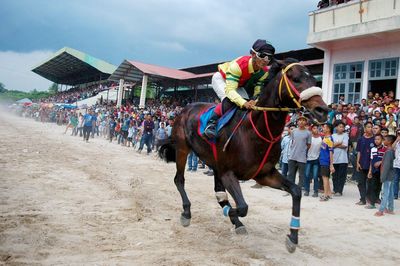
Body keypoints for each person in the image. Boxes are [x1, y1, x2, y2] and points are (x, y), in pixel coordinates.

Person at [204, 39, 275, 138]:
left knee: (249, 105)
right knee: (229, 100)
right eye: (262, 55)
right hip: (222, 79)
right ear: (253, 54)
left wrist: (255, 100)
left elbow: (258, 90)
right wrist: (245, 103)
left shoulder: (264, 72)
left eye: (269, 57)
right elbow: (230, 91)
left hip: (238, 85)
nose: (265, 60)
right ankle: (211, 123)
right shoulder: (238, 65)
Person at [287, 116, 311, 189]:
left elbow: (309, 145)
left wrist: (303, 150)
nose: (301, 122)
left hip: (302, 157)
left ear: (306, 122)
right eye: (300, 120)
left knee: (301, 175)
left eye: (303, 120)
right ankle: (290, 189)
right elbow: (292, 142)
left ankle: (298, 189)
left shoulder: (308, 133)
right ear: (297, 122)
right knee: (291, 174)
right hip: (292, 156)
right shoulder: (293, 131)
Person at [375, 135, 396, 216]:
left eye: (385, 140)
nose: (384, 141)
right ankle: (390, 209)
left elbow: (386, 166)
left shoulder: (388, 152)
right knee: (390, 192)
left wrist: (382, 177)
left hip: (387, 175)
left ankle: (381, 210)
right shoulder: (391, 151)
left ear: (389, 142)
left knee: (385, 193)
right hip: (391, 174)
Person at [356, 122, 375, 205]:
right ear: (364, 128)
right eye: (368, 127)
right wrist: (357, 162)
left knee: (371, 183)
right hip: (362, 164)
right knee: (361, 182)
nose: (370, 128)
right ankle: (362, 199)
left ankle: (370, 199)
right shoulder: (360, 139)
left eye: (371, 127)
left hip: (371, 164)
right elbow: (359, 152)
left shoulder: (374, 139)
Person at [366, 134, 386, 209]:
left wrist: (380, 162)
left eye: (378, 139)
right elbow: (371, 161)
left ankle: (378, 200)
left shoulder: (385, 149)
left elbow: (386, 159)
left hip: (382, 171)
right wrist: (370, 171)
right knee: (373, 186)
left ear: (382, 140)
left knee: (380, 186)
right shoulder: (373, 149)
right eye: (375, 139)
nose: (376, 141)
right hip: (374, 171)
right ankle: (372, 203)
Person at [304, 124, 322, 197]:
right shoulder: (309, 137)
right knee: (307, 175)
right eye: (314, 128)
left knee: (315, 176)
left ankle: (315, 191)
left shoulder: (321, 138)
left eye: (317, 128)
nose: (316, 129)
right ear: (312, 129)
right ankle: (307, 190)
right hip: (308, 158)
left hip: (316, 159)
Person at [332, 121, 349, 196]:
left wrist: (334, 145)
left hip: (343, 159)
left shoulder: (345, 135)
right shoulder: (333, 135)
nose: (341, 128)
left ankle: (339, 190)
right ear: (336, 127)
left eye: (342, 127)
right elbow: (330, 145)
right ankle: (335, 189)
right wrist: (339, 143)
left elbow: (345, 145)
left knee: (341, 176)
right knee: (334, 175)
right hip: (334, 158)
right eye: (340, 126)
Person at [319, 123, 335, 201]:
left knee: (325, 178)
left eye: (324, 127)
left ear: (328, 129)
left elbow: (331, 152)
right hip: (322, 160)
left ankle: (325, 195)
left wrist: (331, 164)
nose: (323, 128)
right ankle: (329, 193)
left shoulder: (329, 139)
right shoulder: (325, 137)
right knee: (326, 178)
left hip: (326, 161)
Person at [393, 129, 400, 200]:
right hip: (396, 164)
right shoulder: (396, 143)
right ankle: (395, 194)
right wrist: (396, 140)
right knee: (395, 180)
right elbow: (392, 148)